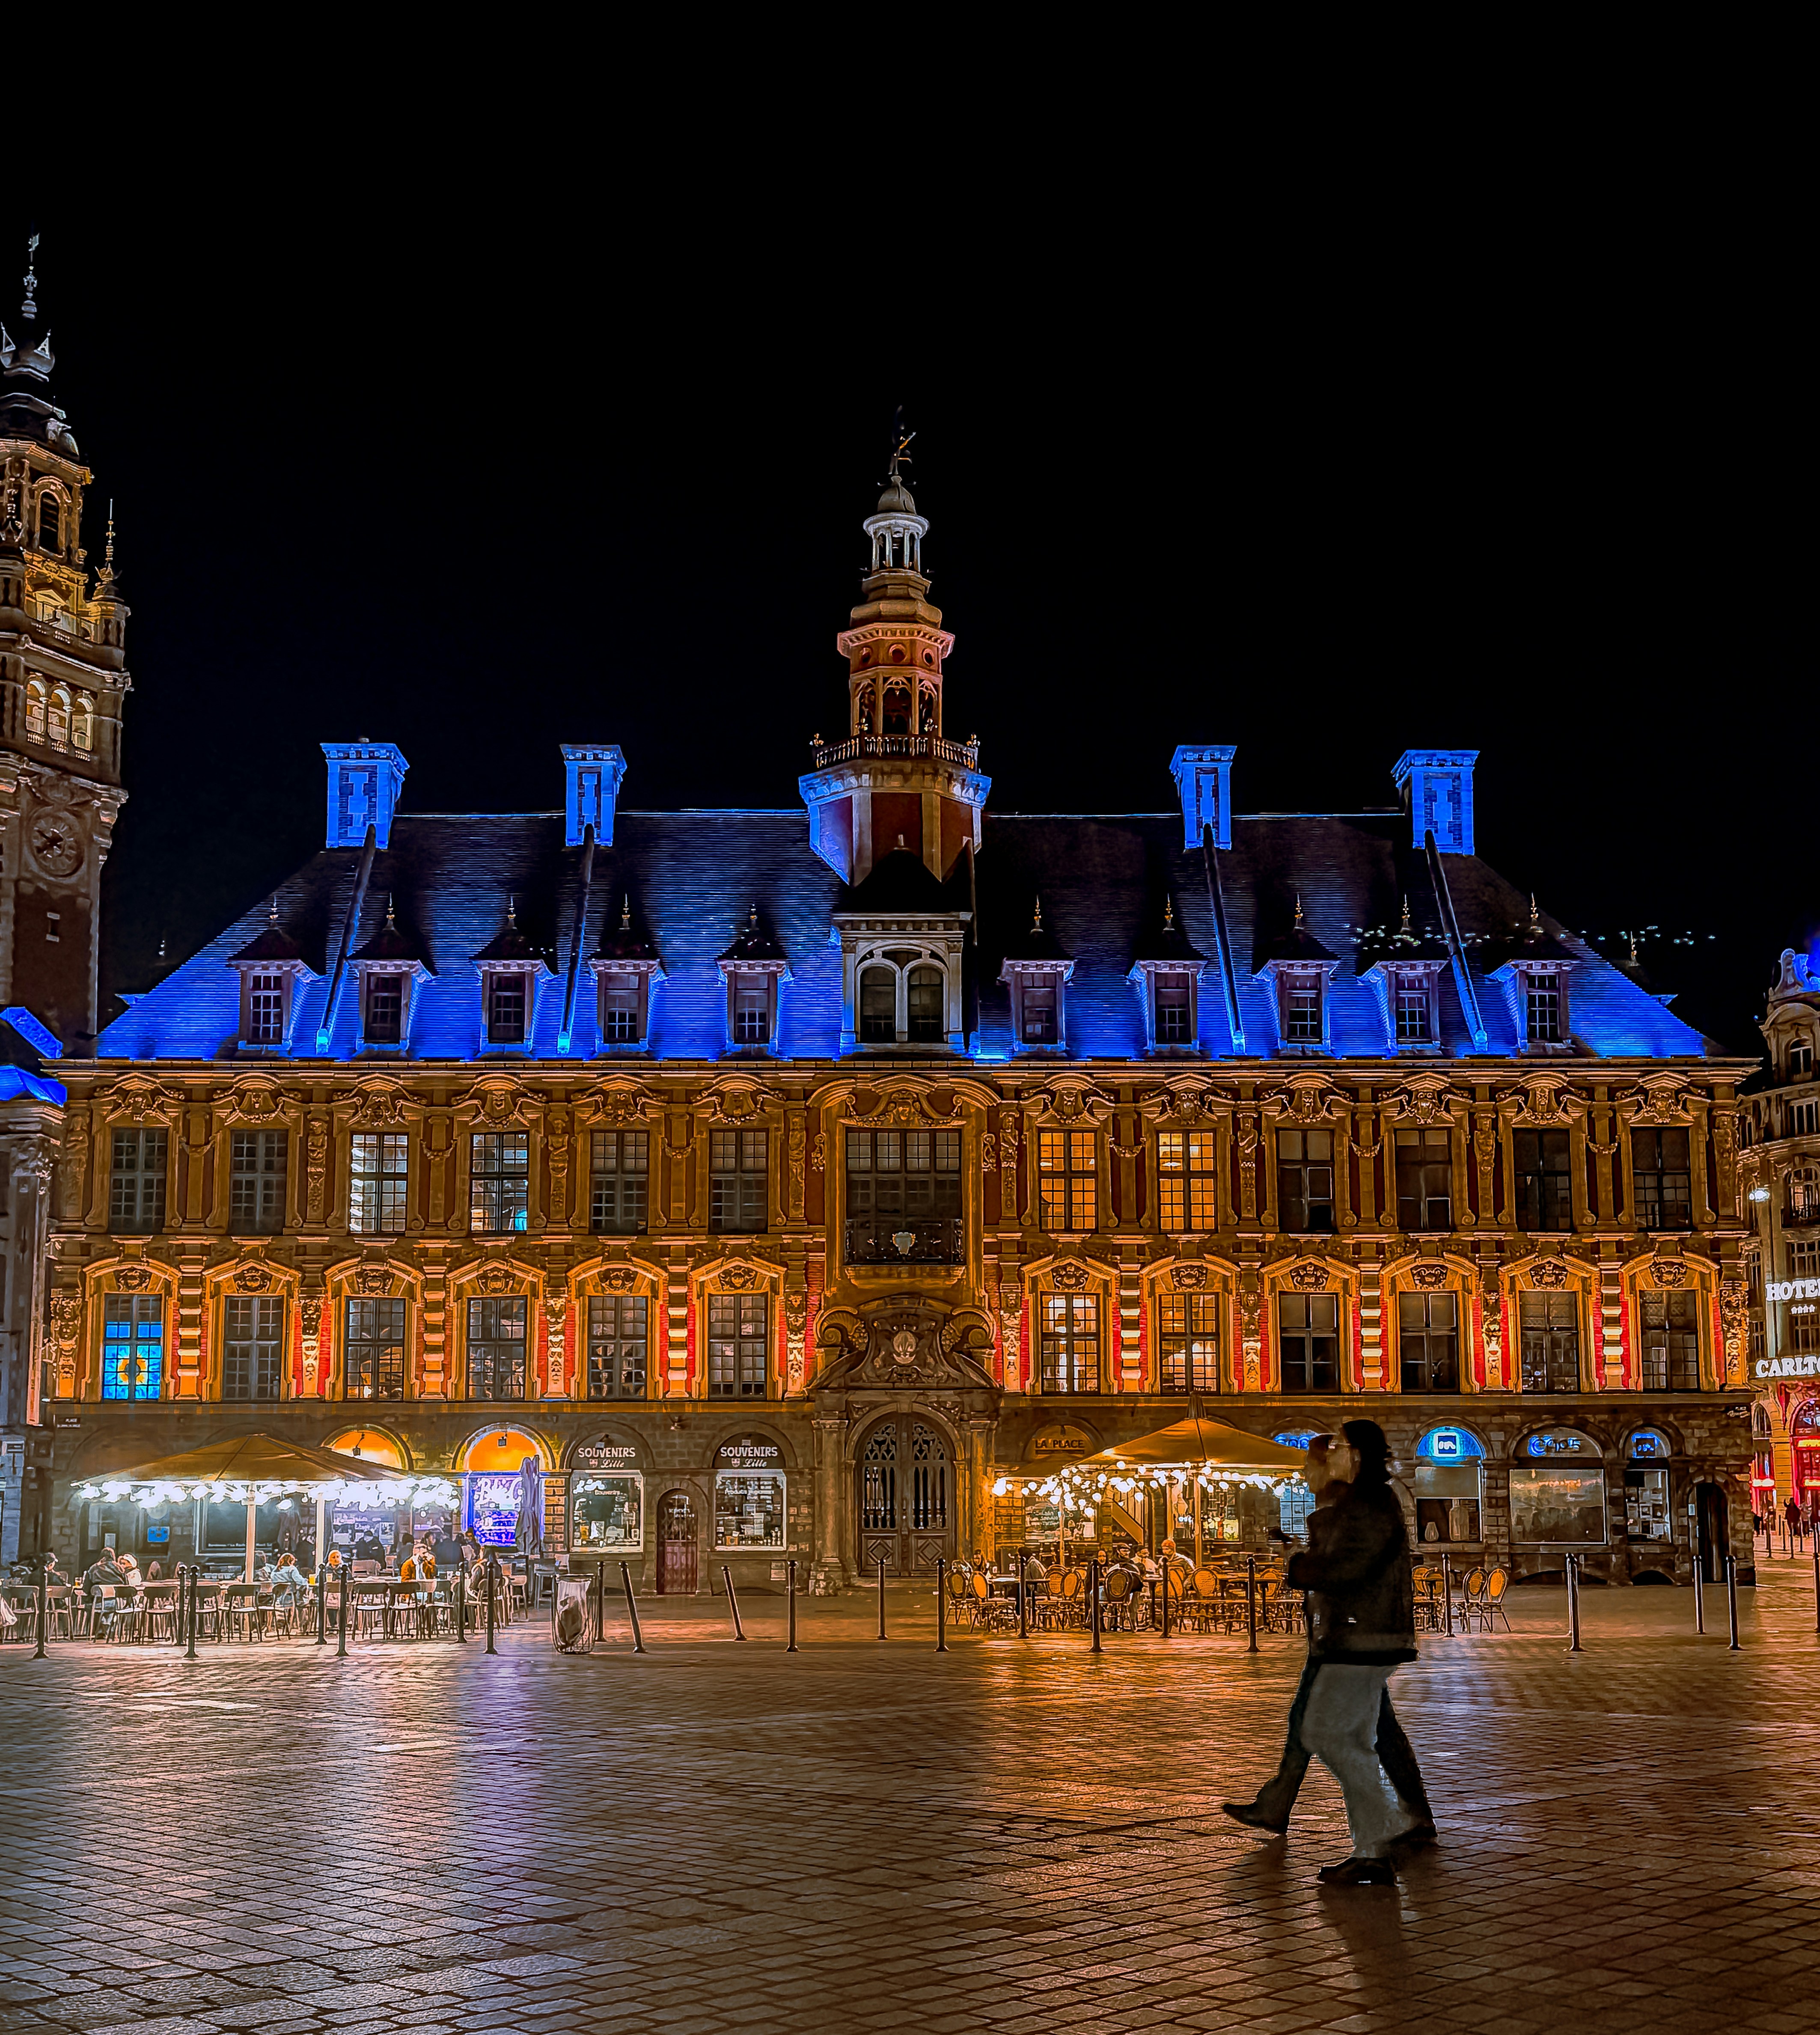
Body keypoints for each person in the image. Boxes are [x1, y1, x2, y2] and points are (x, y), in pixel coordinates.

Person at [1223, 1428, 1434, 1884]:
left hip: (1363, 1637)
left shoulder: (1371, 1503)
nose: (1309, 1467)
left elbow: (1350, 1567)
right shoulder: (1360, 1503)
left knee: (1327, 1733)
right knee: (1349, 1735)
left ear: (1353, 1456)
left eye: (1329, 1451)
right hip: (1354, 1637)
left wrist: (1298, 1562)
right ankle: (1376, 1847)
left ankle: (1390, 1828)